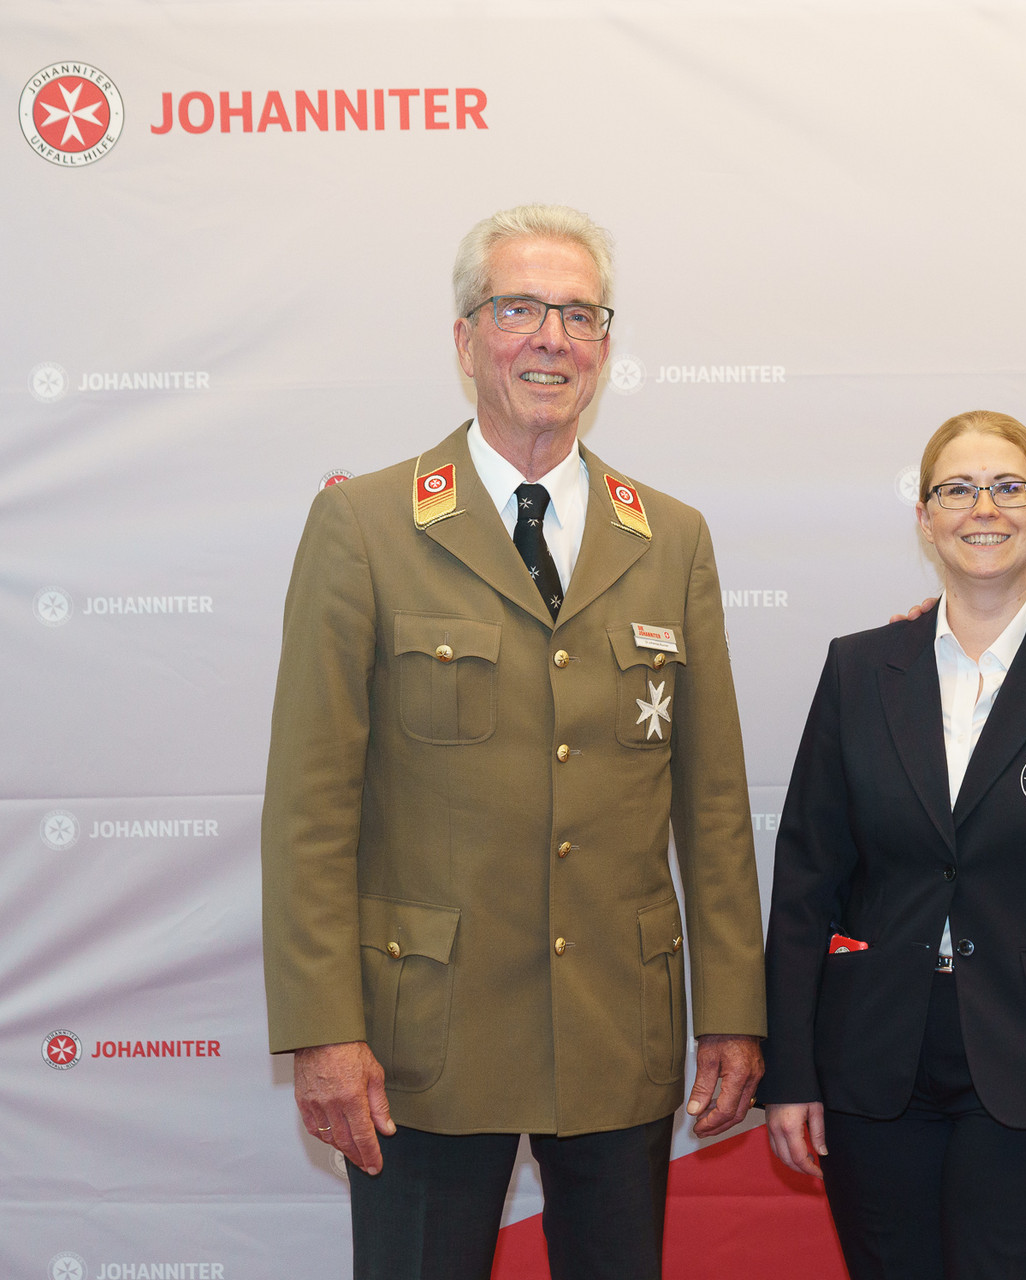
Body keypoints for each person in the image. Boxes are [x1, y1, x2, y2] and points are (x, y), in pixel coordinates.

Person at [259, 203, 767, 1280]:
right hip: (425, 1038)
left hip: (618, 1028)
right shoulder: (367, 526)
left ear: (605, 348)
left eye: (580, 315)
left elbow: (713, 803)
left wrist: (732, 1011)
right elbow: (311, 807)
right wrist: (323, 1029)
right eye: (519, 309)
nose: (552, 338)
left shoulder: (671, 537)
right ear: (464, 338)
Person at [761, 411, 1026, 1279]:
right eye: (956, 489)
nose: (983, 508)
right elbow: (806, 883)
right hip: (876, 1065)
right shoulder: (858, 669)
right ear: (924, 517)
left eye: (1008, 487)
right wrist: (791, 1074)